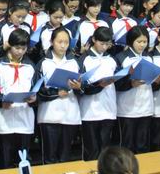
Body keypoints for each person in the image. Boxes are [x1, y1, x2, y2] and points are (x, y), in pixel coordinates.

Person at [0, 29, 37, 168]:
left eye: (23, 48)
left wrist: (34, 99)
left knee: (23, 162)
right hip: (4, 120)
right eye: (17, 48)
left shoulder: (30, 66)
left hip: (25, 119)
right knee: (4, 162)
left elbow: (37, 90)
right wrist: (0, 102)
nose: (20, 51)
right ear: (9, 45)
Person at [36, 27, 82, 163]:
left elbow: (82, 87)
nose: (63, 46)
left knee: (65, 158)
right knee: (49, 158)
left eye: (66, 42)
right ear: (52, 42)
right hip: (49, 115)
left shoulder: (74, 62)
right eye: (59, 42)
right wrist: (56, 93)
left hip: (70, 113)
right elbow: (37, 90)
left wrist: (78, 87)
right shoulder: (43, 63)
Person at [79, 26, 117, 160]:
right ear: (94, 39)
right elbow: (80, 86)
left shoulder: (111, 59)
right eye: (102, 43)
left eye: (108, 44)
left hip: (109, 109)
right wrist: (98, 85)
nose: (104, 47)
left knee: (105, 151)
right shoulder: (84, 59)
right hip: (90, 111)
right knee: (91, 150)